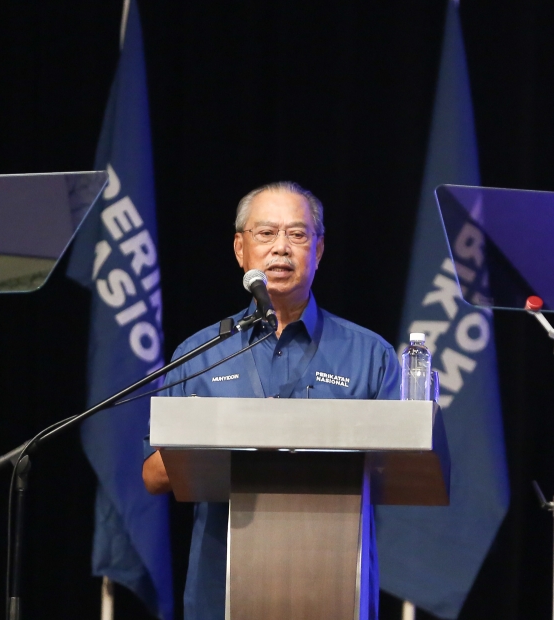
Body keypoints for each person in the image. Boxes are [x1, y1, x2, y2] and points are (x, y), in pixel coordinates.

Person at [142, 181, 400, 619]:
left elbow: (400, 473)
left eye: (298, 234)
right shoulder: (200, 353)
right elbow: (154, 474)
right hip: (219, 591)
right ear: (240, 250)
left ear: (318, 251)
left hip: (335, 587)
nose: (281, 248)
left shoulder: (370, 354)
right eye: (266, 234)